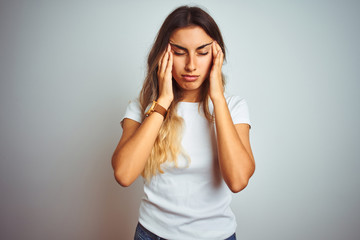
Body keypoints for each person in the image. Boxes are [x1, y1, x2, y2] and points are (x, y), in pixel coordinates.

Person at [111, 5, 255, 240]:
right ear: (164, 55)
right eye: (179, 52)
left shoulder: (234, 107)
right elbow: (124, 174)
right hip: (152, 235)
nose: (190, 65)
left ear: (216, 55)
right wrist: (163, 102)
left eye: (202, 52)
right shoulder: (143, 107)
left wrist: (217, 98)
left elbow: (238, 181)